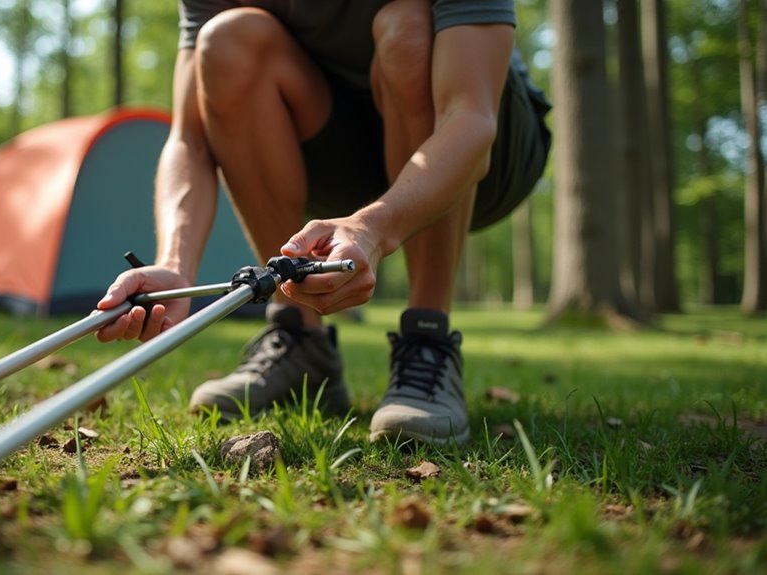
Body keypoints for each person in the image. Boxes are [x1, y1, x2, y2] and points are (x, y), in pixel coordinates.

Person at [95, 0, 551, 445]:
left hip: (482, 155)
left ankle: (427, 337)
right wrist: (176, 262)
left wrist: (373, 226)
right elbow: (190, 139)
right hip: (334, 153)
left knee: (406, 25)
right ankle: (300, 338)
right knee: (227, 39)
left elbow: (471, 118)